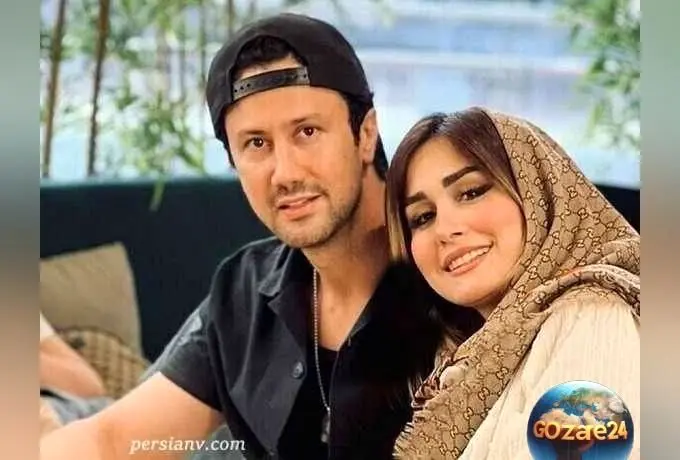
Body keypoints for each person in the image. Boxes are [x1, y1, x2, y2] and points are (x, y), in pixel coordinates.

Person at [40, 13, 445, 460]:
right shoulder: (245, 292)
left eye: (307, 132)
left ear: (365, 134)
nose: (285, 173)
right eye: (256, 144)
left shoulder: (452, 266)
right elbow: (114, 439)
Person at [384, 107, 640, 459]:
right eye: (423, 217)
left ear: (537, 192)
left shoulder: (592, 320)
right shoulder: (467, 363)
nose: (444, 230)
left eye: (471, 192)